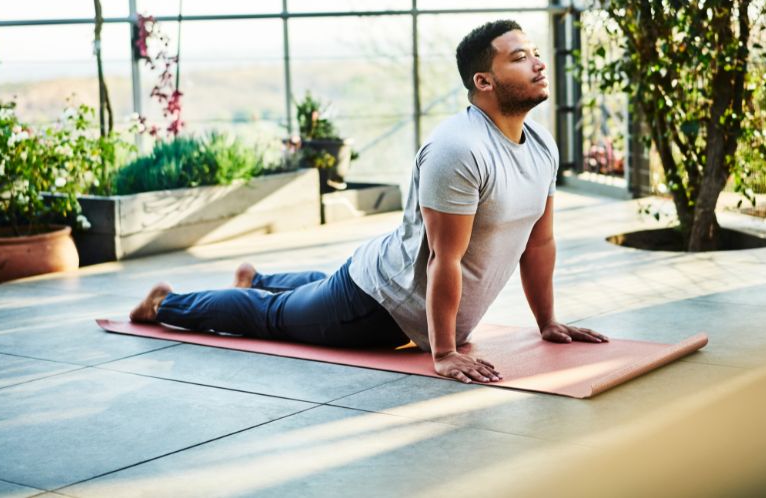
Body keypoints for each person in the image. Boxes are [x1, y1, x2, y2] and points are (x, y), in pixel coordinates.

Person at [130, 19, 609, 384]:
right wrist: (443, 353)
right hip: (379, 303)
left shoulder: (541, 144)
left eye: (536, 54)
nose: (539, 63)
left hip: (389, 278)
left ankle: (258, 277)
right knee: (269, 316)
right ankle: (166, 304)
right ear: (484, 81)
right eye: (520, 57)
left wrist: (546, 322)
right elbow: (447, 258)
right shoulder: (459, 149)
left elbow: (539, 243)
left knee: (309, 294)